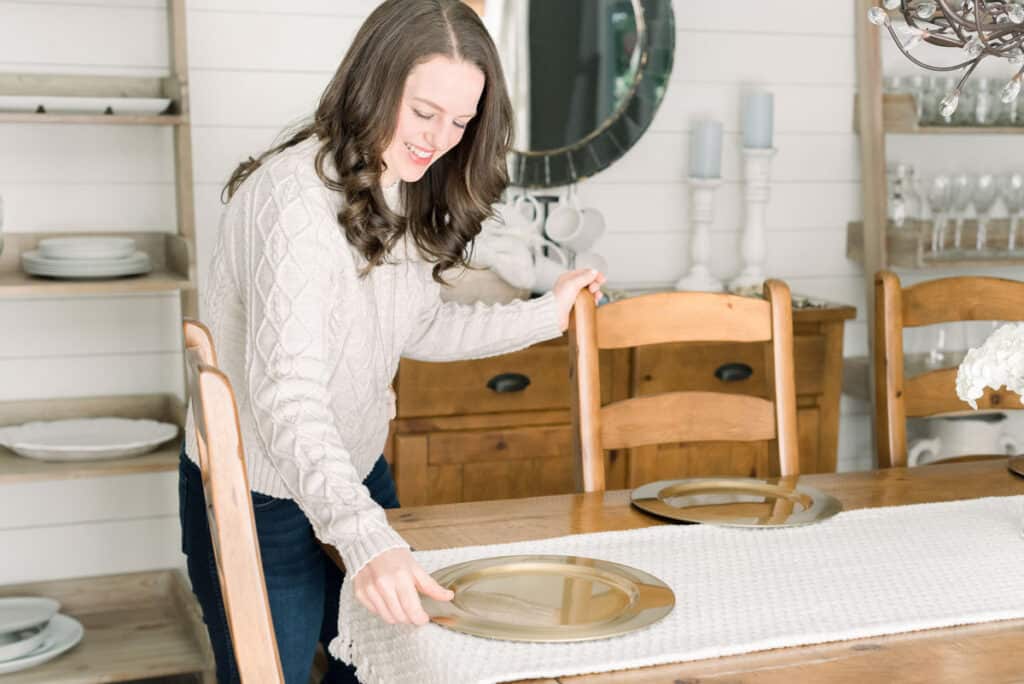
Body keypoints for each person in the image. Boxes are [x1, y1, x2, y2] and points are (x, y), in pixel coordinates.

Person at [178, 1, 605, 682]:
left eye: (462, 122)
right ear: (374, 83)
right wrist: (368, 536)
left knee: (386, 668)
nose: (440, 139)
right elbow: (288, 400)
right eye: (425, 112)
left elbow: (419, 326)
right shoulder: (293, 201)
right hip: (261, 495)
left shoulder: (397, 182)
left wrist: (546, 315)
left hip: (353, 474)